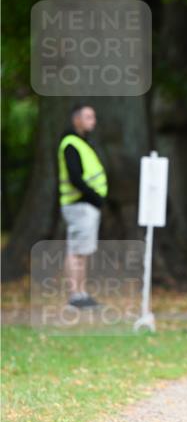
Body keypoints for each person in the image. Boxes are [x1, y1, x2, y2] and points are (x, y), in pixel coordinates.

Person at [57, 104, 108, 308]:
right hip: (79, 205)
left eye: (93, 117)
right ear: (76, 119)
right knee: (76, 251)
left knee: (82, 251)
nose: (93, 121)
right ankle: (75, 296)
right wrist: (95, 197)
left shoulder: (81, 143)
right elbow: (75, 178)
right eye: (88, 117)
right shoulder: (71, 144)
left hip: (85, 205)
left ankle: (81, 293)